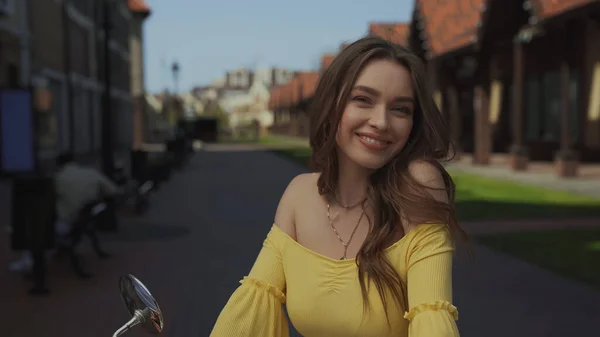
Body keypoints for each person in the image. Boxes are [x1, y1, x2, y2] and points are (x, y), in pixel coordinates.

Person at [210, 36, 467, 337]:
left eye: (400, 109)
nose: (381, 122)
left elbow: (432, 320)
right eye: (363, 100)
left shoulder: (417, 185)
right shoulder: (299, 195)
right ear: (333, 105)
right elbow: (249, 314)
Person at [54, 152, 119, 277]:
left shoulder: (58, 178)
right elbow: (112, 190)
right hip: (87, 218)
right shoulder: (91, 173)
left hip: (68, 222)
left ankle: (28, 262)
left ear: (59, 164)